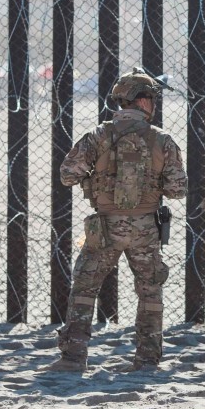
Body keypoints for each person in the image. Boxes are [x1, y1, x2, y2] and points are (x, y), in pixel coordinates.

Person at [48, 67, 187, 372]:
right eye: (152, 98)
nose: (154, 104)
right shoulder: (162, 139)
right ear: (143, 100)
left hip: (106, 227)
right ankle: (147, 360)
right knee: (150, 292)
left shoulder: (98, 136)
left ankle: (73, 357)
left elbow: (67, 175)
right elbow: (178, 189)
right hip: (145, 229)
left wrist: (97, 176)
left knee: (85, 287)